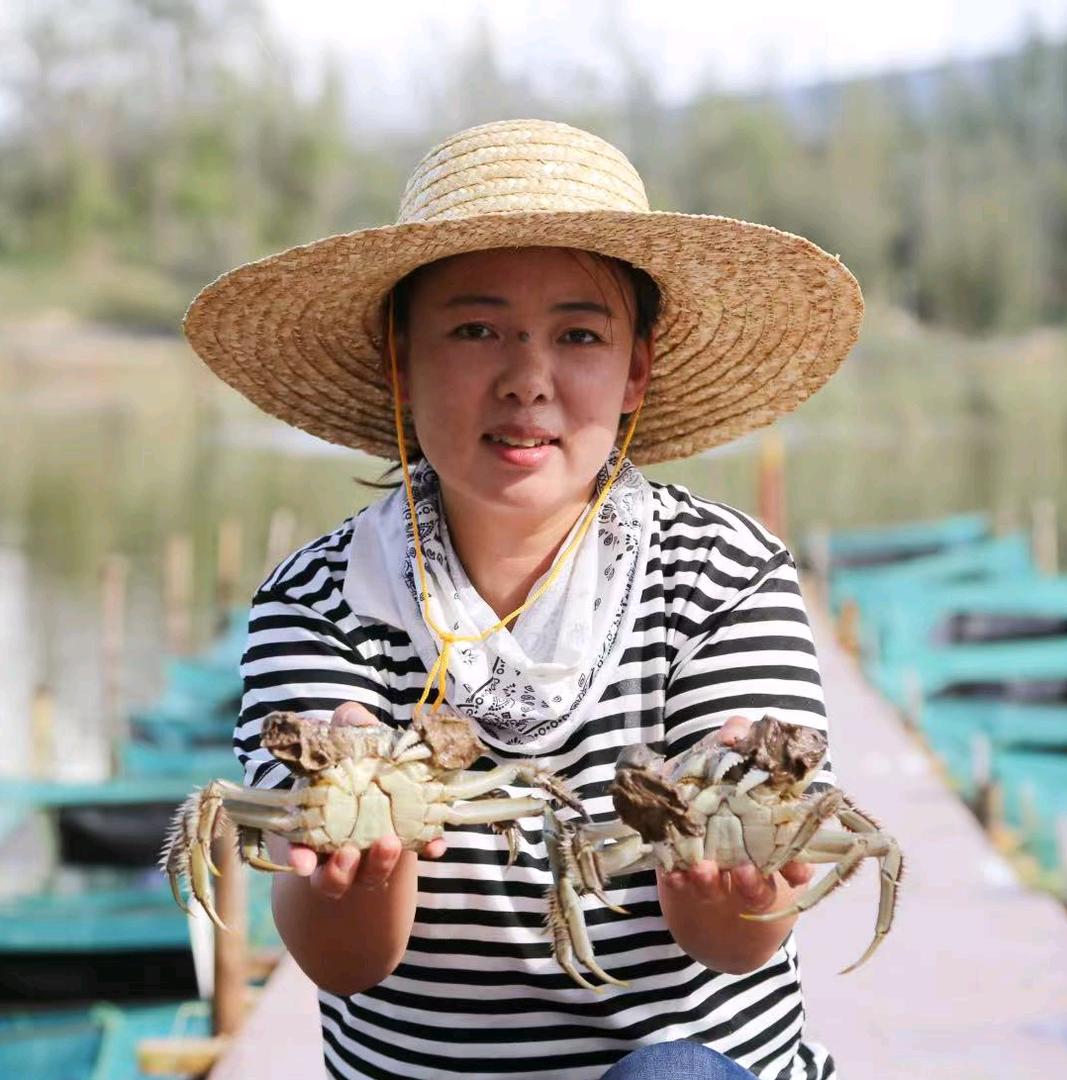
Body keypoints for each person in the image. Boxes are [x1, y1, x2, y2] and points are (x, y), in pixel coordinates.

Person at [183, 119, 863, 1079]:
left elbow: (739, 942)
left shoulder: (725, 574)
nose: (527, 380)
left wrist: (736, 859)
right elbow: (341, 960)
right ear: (400, 359)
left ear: (637, 370)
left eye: (579, 334)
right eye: (474, 329)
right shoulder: (318, 601)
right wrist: (355, 844)